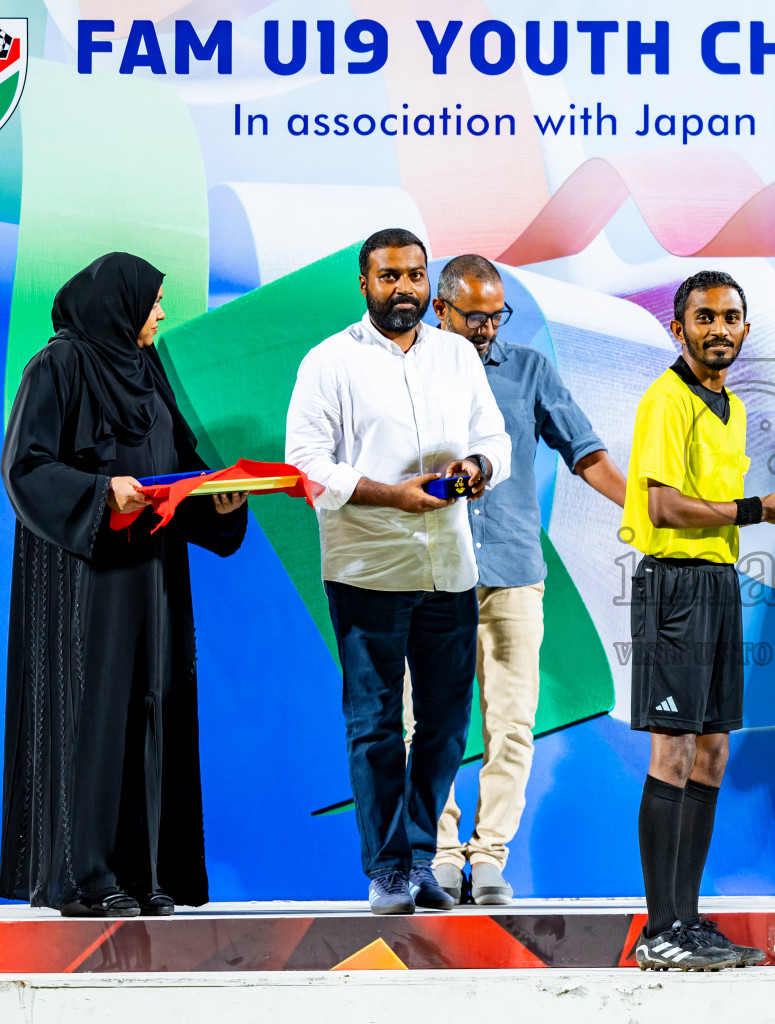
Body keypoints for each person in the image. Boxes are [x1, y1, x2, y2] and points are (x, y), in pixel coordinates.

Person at [1, 253, 248, 917]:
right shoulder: (57, 366)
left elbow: (179, 467)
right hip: (89, 577)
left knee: (152, 706)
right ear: (118, 303)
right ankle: (84, 876)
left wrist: (217, 501)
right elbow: (23, 467)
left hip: (155, 571)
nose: (162, 314)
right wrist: (98, 493)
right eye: (153, 301)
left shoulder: (149, 371)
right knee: (94, 711)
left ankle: (144, 875)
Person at [285, 229, 512, 915]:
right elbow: (306, 463)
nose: (404, 289)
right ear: (364, 283)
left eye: (415, 276)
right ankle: (386, 869)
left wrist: (477, 469)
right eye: (390, 277)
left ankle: (419, 857)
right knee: (377, 724)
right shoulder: (328, 362)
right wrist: (394, 494)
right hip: (366, 570)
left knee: (445, 725)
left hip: (449, 566)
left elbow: (492, 435)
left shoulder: (456, 356)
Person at [626, 270, 775, 970]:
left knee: (711, 754)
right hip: (674, 586)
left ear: (745, 328)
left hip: (717, 582)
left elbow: (719, 504)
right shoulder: (667, 399)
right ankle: (659, 931)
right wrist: (755, 511)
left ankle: (687, 921)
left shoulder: (730, 407)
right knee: (672, 753)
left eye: (731, 317)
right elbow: (662, 508)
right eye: (704, 317)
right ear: (679, 327)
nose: (719, 328)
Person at [411, 254, 626, 905]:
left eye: (496, 316)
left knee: (512, 722)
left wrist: (648, 511)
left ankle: (491, 854)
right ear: (439, 309)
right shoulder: (404, 374)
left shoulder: (530, 370)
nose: (485, 329)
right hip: (429, 578)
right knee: (426, 724)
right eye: (473, 316)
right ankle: (442, 853)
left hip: (512, 577)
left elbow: (587, 453)